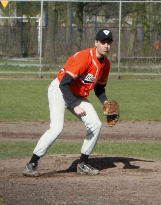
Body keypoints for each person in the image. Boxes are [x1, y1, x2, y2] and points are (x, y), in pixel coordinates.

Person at [23, 29, 115, 177]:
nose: (106, 45)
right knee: (57, 128)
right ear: (96, 43)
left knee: (96, 124)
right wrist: (74, 105)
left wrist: (106, 102)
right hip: (59, 91)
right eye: (103, 42)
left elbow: (99, 88)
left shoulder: (106, 64)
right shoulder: (85, 58)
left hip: (77, 94)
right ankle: (31, 164)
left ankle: (82, 164)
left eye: (109, 42)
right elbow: (64, 83)